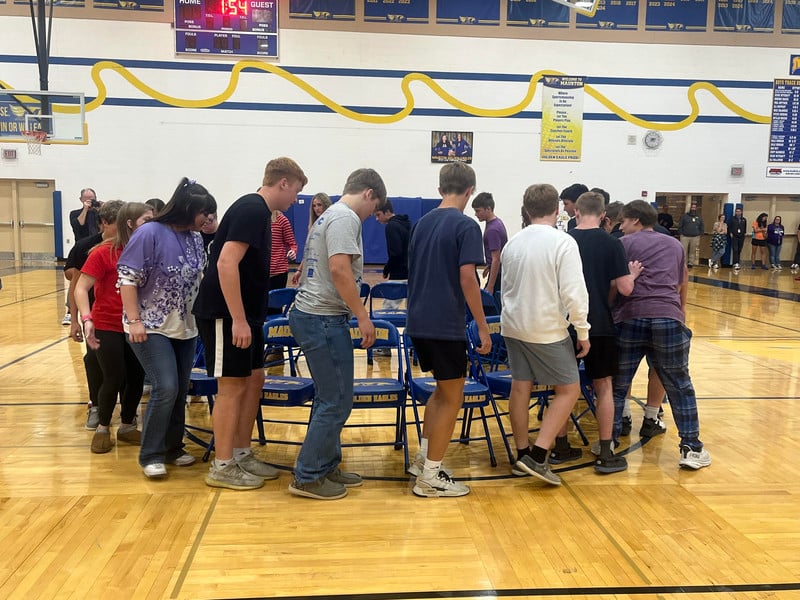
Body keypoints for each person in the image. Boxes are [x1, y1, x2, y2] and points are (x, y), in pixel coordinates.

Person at [193, 157, 307, 491]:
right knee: (231, 385)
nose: (295, 200)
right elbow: (226, 262)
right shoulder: (252, 208)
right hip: (225, 314)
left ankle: (240, 452)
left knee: (254, 378)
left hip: (247, 315)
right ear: (283, 182)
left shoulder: (263, 213)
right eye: (296, 191)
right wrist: (239, 320)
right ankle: (222, 464)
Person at [288, 168, 387, 500]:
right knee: (337, 399)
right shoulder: (345, 218)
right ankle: (307, 476)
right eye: (373, 209)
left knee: (330, 396)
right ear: (369, 194)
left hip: (315, 314)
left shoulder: (327, 215)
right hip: (322, 317)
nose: (371, 216)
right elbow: (339, 269)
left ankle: (325, 464)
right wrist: (363, 316)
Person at [118, 179, 217, 479]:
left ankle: (174, 447)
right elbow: (127, 278)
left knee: (179, 389)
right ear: (189, 210)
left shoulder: (195, 237)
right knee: (166, 387)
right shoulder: (149, 233)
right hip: (149, 326)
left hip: (184, 327)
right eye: (205, 214)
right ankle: (151, 453)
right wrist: (135, 321)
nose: (208, 220)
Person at [406, 162, 490, 498]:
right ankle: (430, 477)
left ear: (441, 189)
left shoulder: (422, 223)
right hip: (444, 324)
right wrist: (483, 327)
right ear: (470, 191)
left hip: (418, 321)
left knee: (440, 393)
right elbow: (468, 278)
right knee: (453, 396)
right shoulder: (466, 225)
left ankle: (425, 460)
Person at [501, 183, 590, 486]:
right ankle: (538, 457)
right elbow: (574, 292)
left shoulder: (512, 243)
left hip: (513, 325)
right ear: (557, 210)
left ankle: (521, 454)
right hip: (546, 328)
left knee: (520, 388)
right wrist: (582, 330)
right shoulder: (562, 242)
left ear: (526, 210)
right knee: (568, 389)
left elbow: (506, 288)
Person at [612, 200, 711, 470]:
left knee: (617, 384)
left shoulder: (623, 244)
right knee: (680, 384)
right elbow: (680, 283)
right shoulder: (675, 245)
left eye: (623, 221)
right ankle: (691, 447)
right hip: (668, 316)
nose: (621, 226)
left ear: (634, 220)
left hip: (631, 317)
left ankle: (608, 442)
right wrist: (681, 311)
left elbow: (618, 285)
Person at [570, 192, 642, 474]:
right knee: (604, 387)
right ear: (603, 216)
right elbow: (625, 289)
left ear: (576, 211)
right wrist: (633, 275)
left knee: (564, 388)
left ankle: (561, 446)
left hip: (565, 324)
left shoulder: (564, 240)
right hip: (599, 323)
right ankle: (605, 450)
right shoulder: (612, 244)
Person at [74, 202, 153, 454]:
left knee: (136, 377)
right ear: (130, 224)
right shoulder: (103, 252)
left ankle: (128, 426)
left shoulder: (147, 250)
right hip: (107, 324)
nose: (152, 225)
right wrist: (86, 319)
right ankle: (103, 427)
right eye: (146, 220)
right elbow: (80, 288)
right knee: (114, 376)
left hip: (135, 325)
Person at [64, 200, 123, 430]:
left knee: (123, 368)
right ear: (104, 223)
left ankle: (127, 415)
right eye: (119, 223)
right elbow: (75, 284)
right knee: (94, 362)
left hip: (122, 320)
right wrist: (75, 321)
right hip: (97, 318)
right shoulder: (86, 247)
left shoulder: (130, 245)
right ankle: (96, 406)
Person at [374, 199, 411, 309]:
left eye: (378, 215)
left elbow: (396, 253)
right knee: (411, 311)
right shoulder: (407, 224)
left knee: (387, 309)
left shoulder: (391, 226)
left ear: (388, 212)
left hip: (399, 274)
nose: (377, 219)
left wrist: (387, 269)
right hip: (412, 273)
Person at [471, 192, 508, 294]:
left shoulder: (493, 230)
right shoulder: (497, 222)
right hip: (498, 272)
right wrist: (489, 266)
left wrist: (490, 286)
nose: (476, 214)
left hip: (497, 276)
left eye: (478, 211)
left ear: (488, 209)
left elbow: (496, 258)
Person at [268, 209, 299, 307]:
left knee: (275, 307)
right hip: (260, 271)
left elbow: (292, 243)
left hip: (278, 271)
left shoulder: (282, 220)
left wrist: (293, 251)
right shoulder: (257, 220)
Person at [677, 201, 704, 268]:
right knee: (684, 250)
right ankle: (683, 263)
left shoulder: (699, 217)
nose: (693, 208)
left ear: (696, 208)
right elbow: (680, 225)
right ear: (690, 208)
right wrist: (680, 233)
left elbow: (702, 226)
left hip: (695, 237)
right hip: (685, 236)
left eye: (694, 207)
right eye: (692, 207)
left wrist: (700, 233)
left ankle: (690, 263)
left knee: (692, 251)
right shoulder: (684, 216)